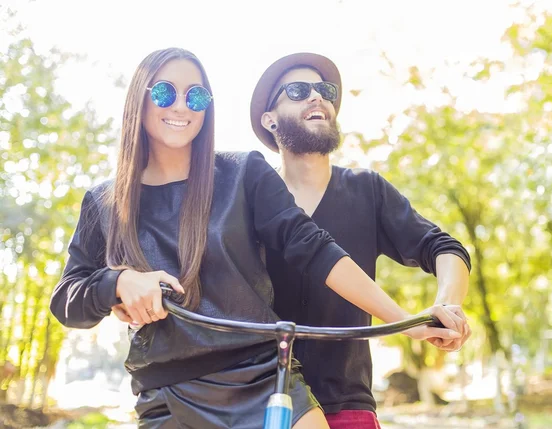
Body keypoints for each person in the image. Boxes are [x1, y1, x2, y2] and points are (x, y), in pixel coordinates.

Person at [50, 47, 466, 429]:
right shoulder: (104, 202)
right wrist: (118, 283)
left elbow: (315, 248)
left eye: (196, 96)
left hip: (266, 375)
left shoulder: (242, 173)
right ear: (139, 99)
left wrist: (408, 324)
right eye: (164, 92)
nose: (180, 106)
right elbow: (67, 299)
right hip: (166, 391)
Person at [250, 52, 472, 429]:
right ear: (269, 120)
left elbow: (445, 248)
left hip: (347, 403)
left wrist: (445, 307)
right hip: (260, 399)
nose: (317, 97)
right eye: (299, 90)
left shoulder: (366, 190)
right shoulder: (250, 197)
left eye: (324, 90)